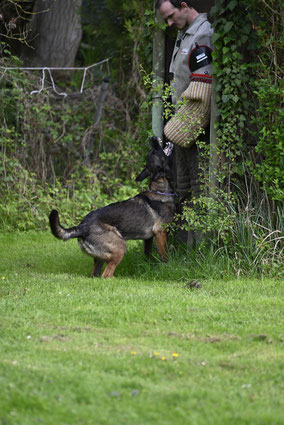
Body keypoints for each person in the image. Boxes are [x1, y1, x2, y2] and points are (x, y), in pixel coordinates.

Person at [155, 0, 213, 245]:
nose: (169, 23)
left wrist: (180, 128)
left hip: (195, 127)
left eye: (171, 16)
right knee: (183, 187)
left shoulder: (203, 35)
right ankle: (183, 247)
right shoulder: (183, 34)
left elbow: (202, 91)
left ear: (184, 5)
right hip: (182, 126)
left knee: (200, 188)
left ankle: (201, 246)